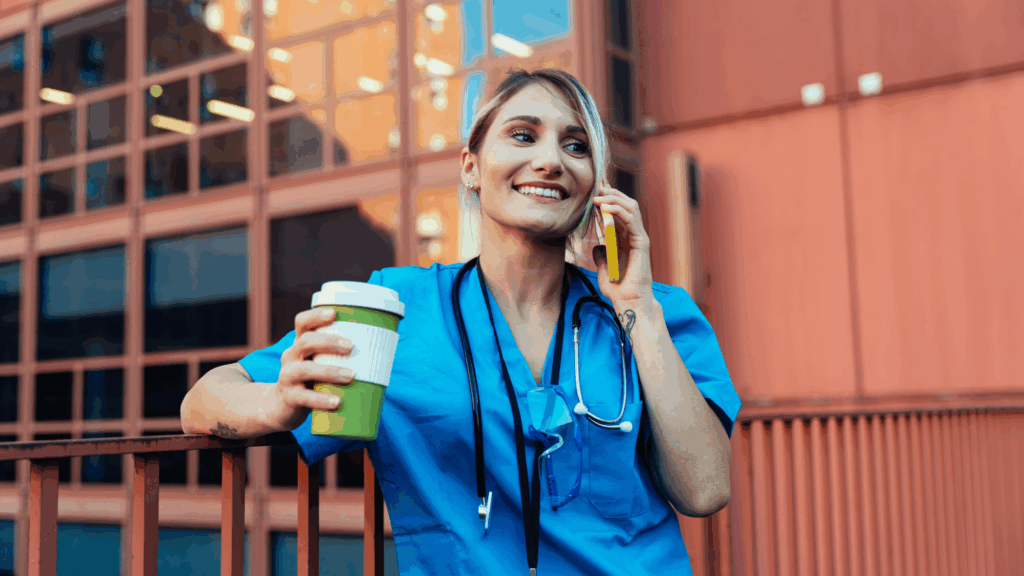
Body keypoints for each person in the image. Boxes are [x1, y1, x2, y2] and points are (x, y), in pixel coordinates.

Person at [181, 68, 740, 575]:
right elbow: (205, 400)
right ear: (471, 167)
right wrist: (278, 403)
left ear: (594, 185)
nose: (551, 160)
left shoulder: (653, 312)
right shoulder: (395, 309)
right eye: (523, 136)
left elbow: (706, 489)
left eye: (576, 146)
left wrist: (636, 305)